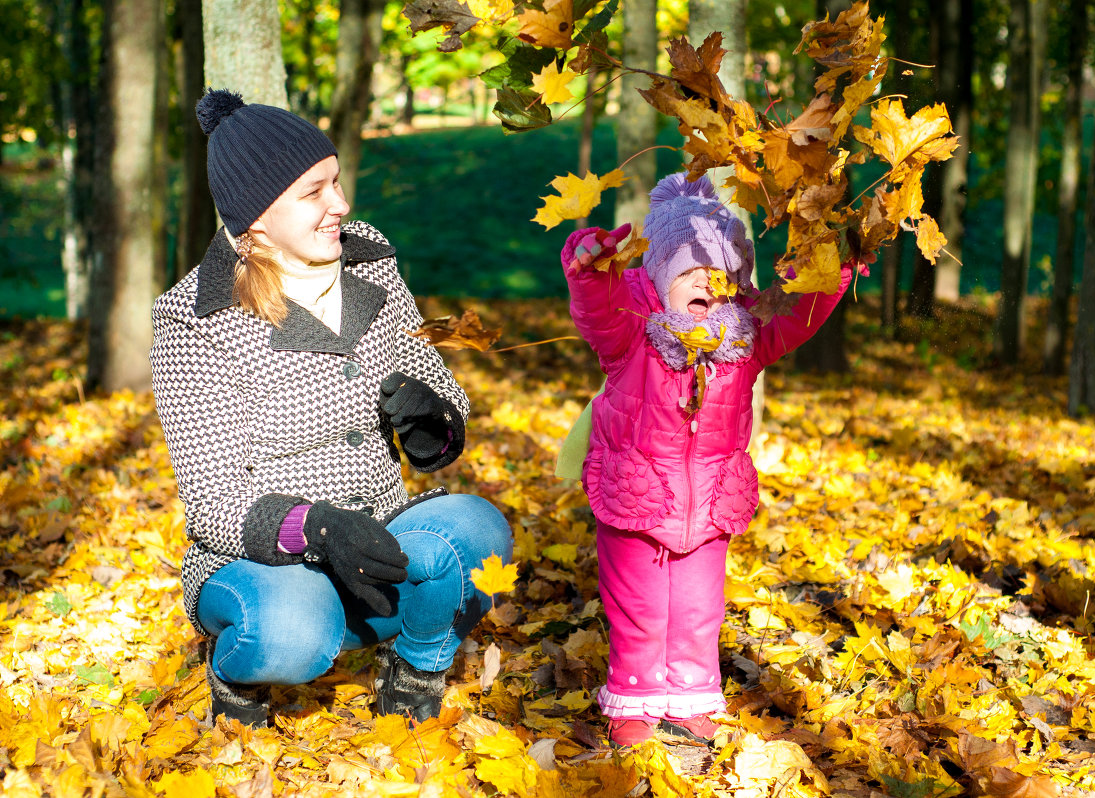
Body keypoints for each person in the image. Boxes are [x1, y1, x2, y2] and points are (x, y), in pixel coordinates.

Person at [149, 88, 512, 729]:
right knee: (290, 629)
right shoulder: (195, 319)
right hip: (264, 564)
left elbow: (436, 383)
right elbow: (215, 501)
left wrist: (433, 423)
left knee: (480, 533)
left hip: (383, 537)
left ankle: (418, 665)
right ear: (256, 218)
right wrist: (318, 528)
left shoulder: (370, 265)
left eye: (336, 183)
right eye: (313, 192)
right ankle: (240, 673)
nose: (339, 205)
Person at [558, 172, 863, 748]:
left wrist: (828, 277)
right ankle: (635, 698)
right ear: (657, 279)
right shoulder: (634, 334)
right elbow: (595, 313)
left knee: (700, 609)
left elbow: (799, 320)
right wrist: (590, 272)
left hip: (711, 497)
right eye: (687, 270)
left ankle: (691, 693)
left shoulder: (746, 339)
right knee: (641, 608)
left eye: (719, 271)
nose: (704, 281)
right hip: (637, 494)